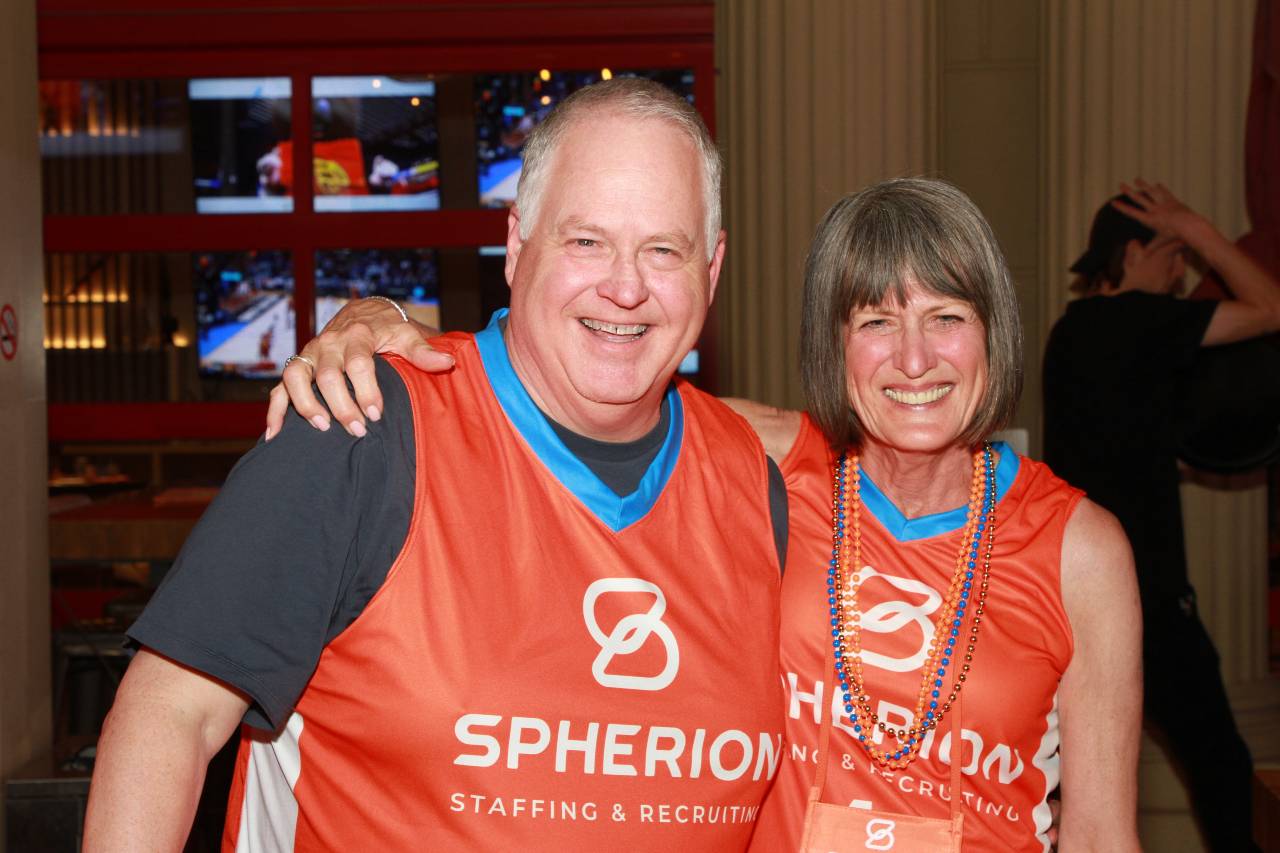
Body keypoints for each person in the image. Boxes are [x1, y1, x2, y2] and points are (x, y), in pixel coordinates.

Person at [283, 177, 1143, 850]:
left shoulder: (1080, 546)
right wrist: (380, 320)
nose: (913, 358)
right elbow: (567, 371)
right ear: (832, 346)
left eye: (947, 317)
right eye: (876, 320)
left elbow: (1102, 832)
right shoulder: (767, 465)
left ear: (993, 333)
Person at [84, 78, 791, 851]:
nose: (625, 286)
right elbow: (168, 716)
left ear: (712, 270)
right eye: (586, 240)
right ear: (517, 245)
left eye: (664, 249)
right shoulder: (359, 426)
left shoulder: (760, 485)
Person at [1043, 180, 1280, 853]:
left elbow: (1115, 444)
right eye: (1173, 254)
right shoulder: (1143, 321)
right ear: (1135, 251)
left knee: (1063, 784)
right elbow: (1270, 306)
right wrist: (1201, 227)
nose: (1181, 275)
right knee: (1226, 777)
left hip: (1071, 597)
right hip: (1144, 596)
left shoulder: (1070, 337)